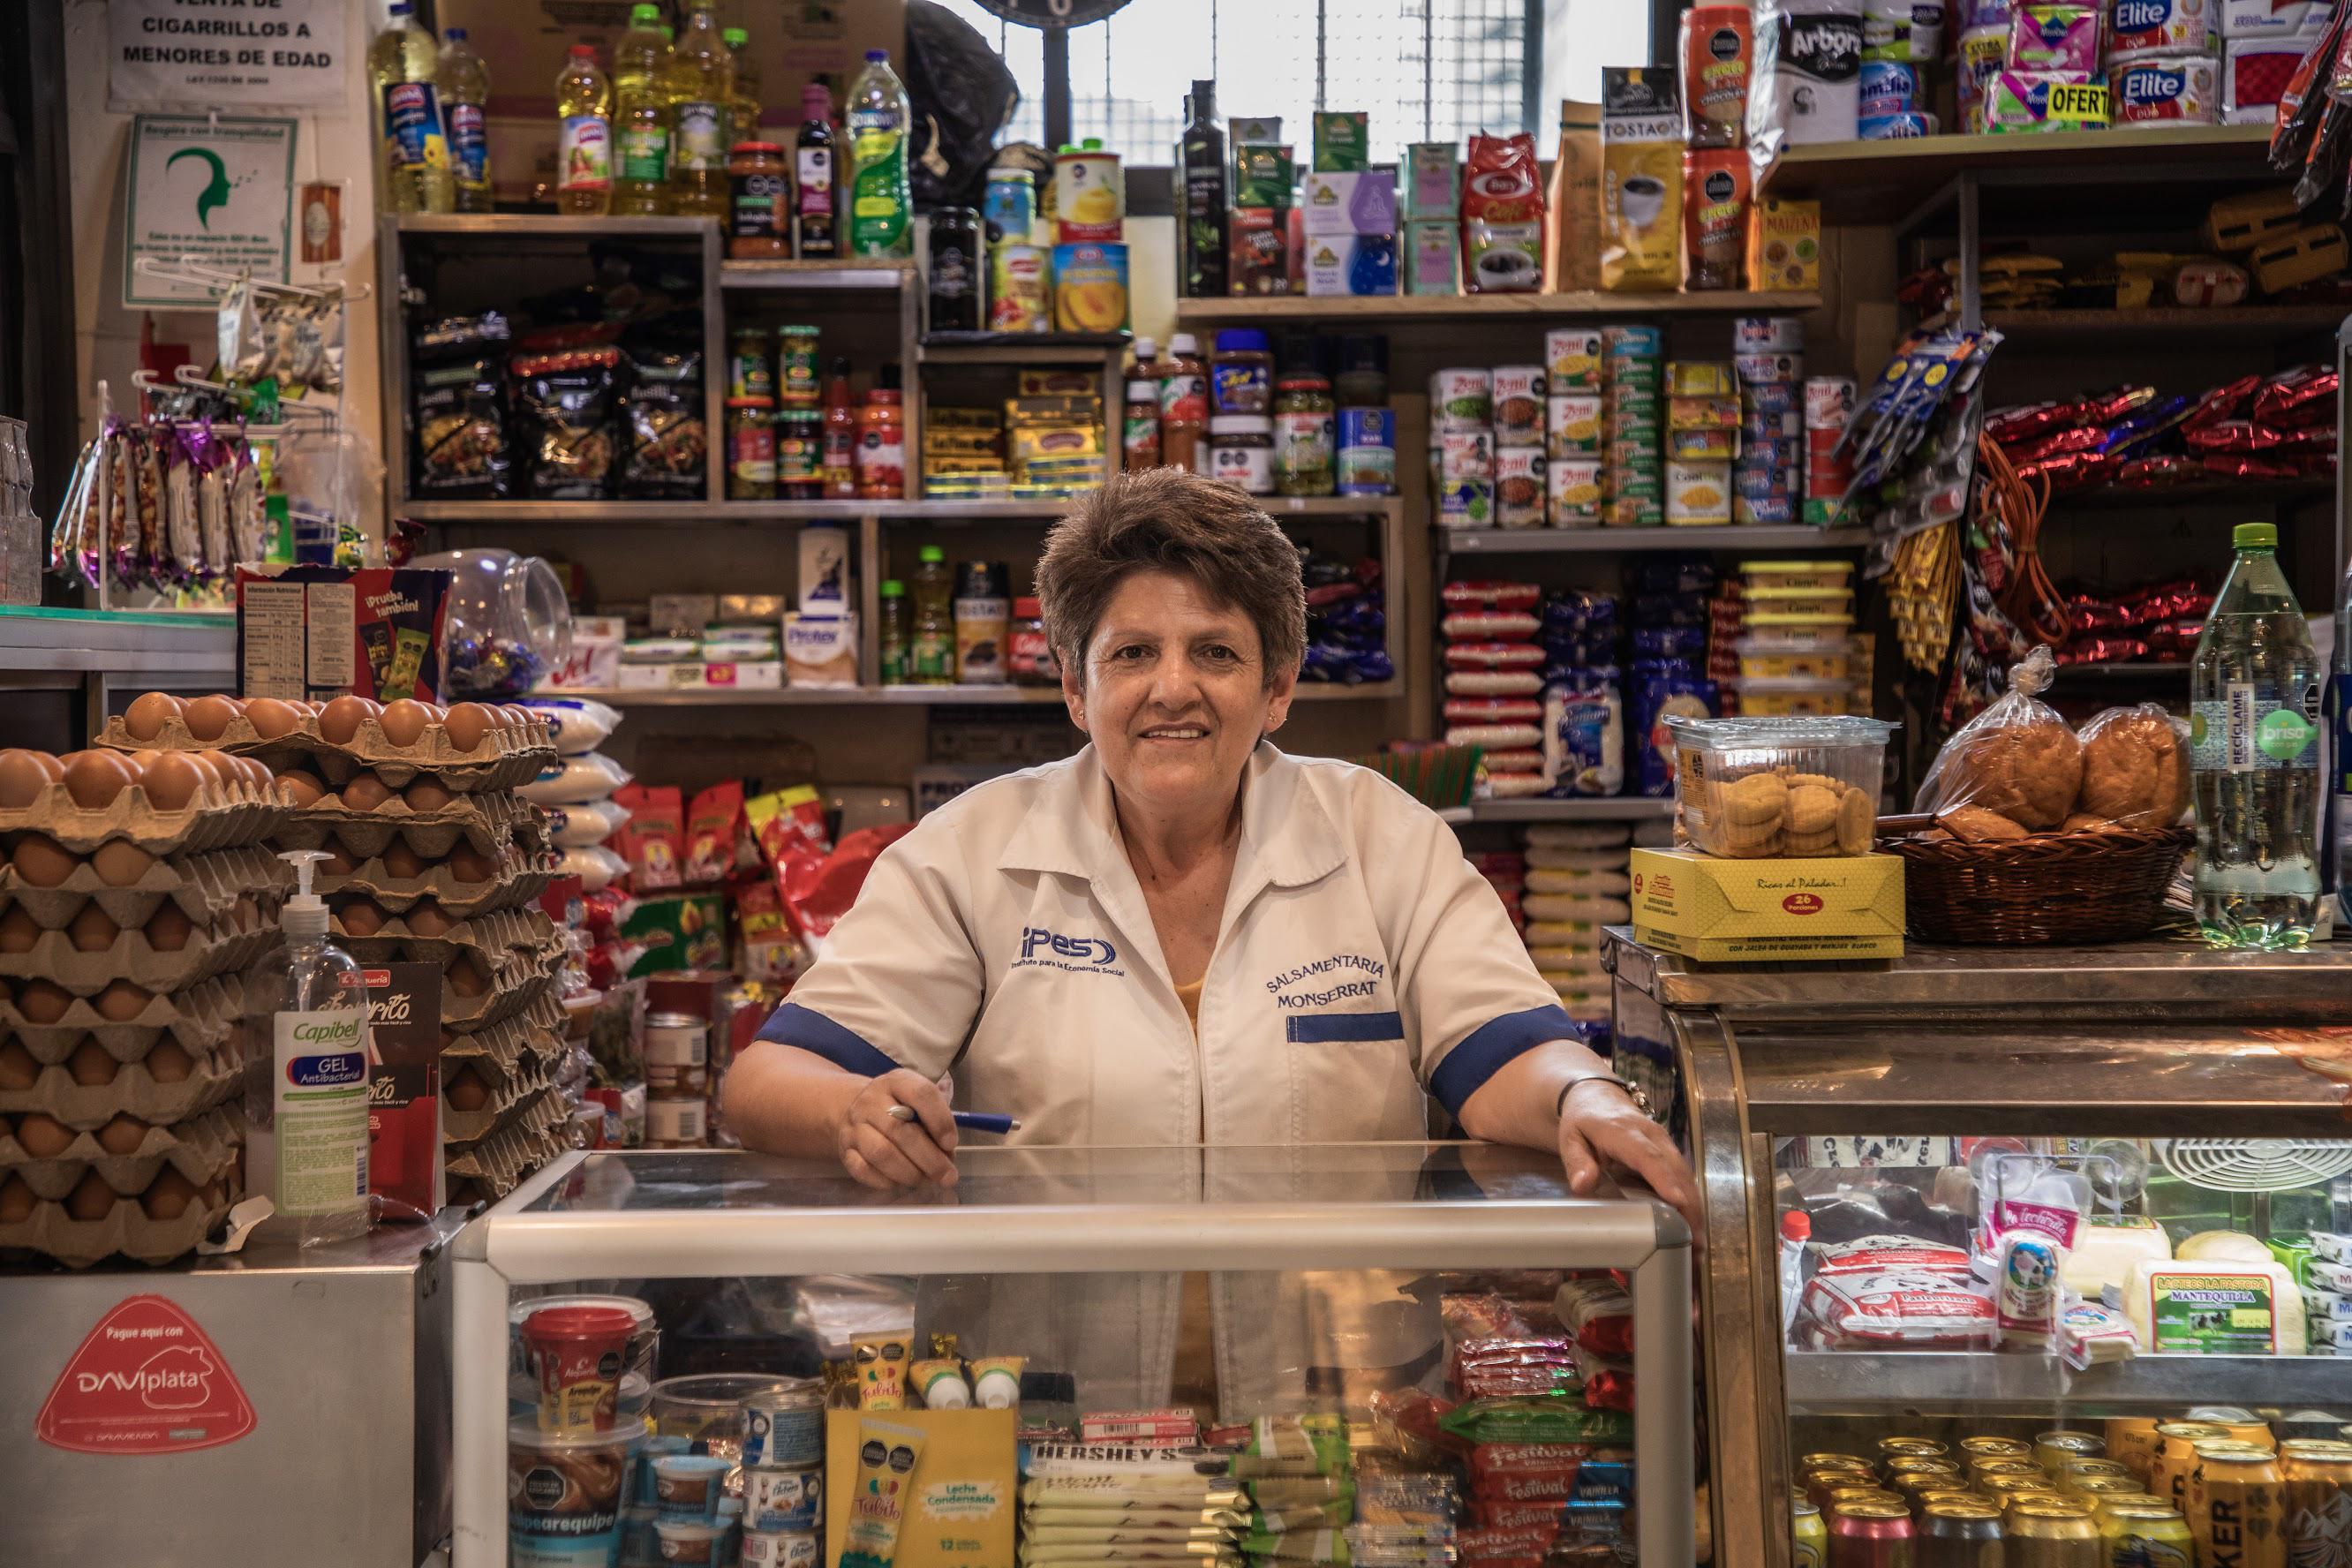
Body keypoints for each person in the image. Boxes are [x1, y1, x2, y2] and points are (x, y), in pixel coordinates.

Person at [724, 468, 1700, 1238]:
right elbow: (765, 1083)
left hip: (1340, 1414)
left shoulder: (1382, 838)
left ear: (1278, 690)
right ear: (1076, 688)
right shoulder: (973, 853)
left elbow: (1506, 1051)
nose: (1173, 689)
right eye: (1133, 653)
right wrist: (853, 1108)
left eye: (1217, 653)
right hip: (1062, 1414)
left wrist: (1585, 1096)